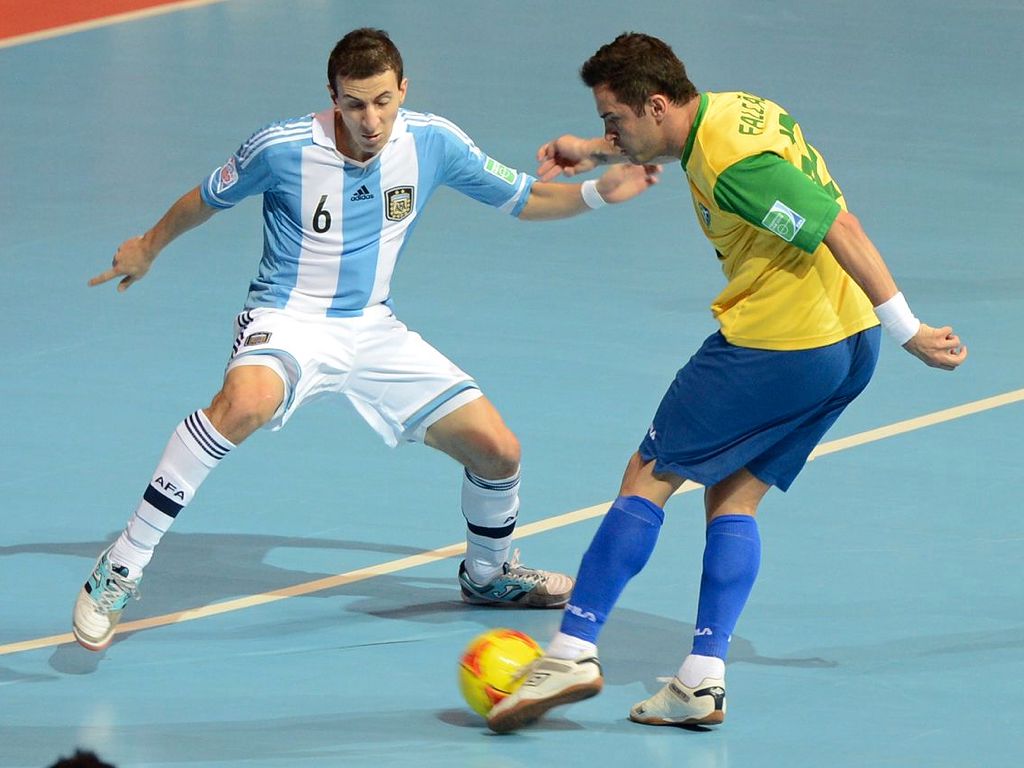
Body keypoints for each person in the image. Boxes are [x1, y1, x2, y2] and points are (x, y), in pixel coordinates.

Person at [72, 28, 659, 652]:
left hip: (374, 327)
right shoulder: (282, 147)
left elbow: (523, 195)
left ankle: (489, 575)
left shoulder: (432, 141)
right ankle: (124, 562)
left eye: (383, 100)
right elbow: (205, 199)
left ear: (403, 89)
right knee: (243, 404)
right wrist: (147, 247)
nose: (371, 119)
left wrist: (597, 194)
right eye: (355, 104)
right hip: (288, 316)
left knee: (499, 452)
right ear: (333, 97)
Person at [486, 32, 967, 733]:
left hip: (782, 343)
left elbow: (841, 227)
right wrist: (593, 153)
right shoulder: (731, 111)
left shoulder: (732, 166)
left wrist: (912, 331)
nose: (610, 129)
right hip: (845, 344)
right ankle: (701, 680)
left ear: (656, 103)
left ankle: (571, 649)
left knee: (648, 473)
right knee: (734, 497)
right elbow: (675, 145)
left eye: (614, 118)